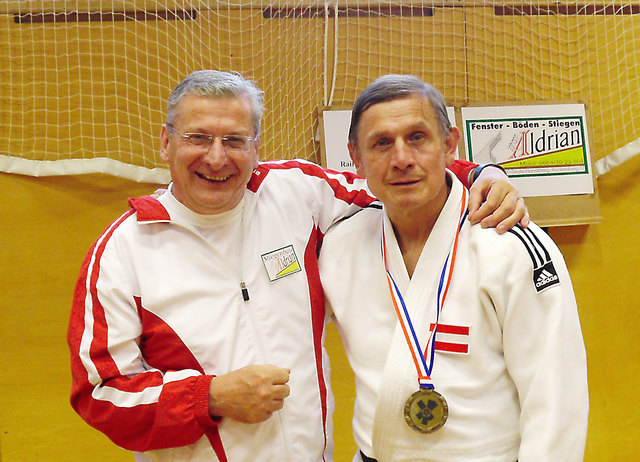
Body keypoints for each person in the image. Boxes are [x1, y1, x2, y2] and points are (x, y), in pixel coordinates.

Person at [68, 70, 527, 462]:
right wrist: (209, 397)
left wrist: (481, 174)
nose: (216, 157)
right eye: (198, 138)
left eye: (234, 140)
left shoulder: (298, 193)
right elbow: (99, 394)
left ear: (256, 146)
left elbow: (397, 177)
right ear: (166, 142)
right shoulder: (123, 251)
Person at [319, 75, 588, 462]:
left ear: (448, 145)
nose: (401, 159)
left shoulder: (509, 243)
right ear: (356, 157)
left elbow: (556, 395)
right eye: (381, 143)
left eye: (417, 137)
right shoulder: (340, 244)